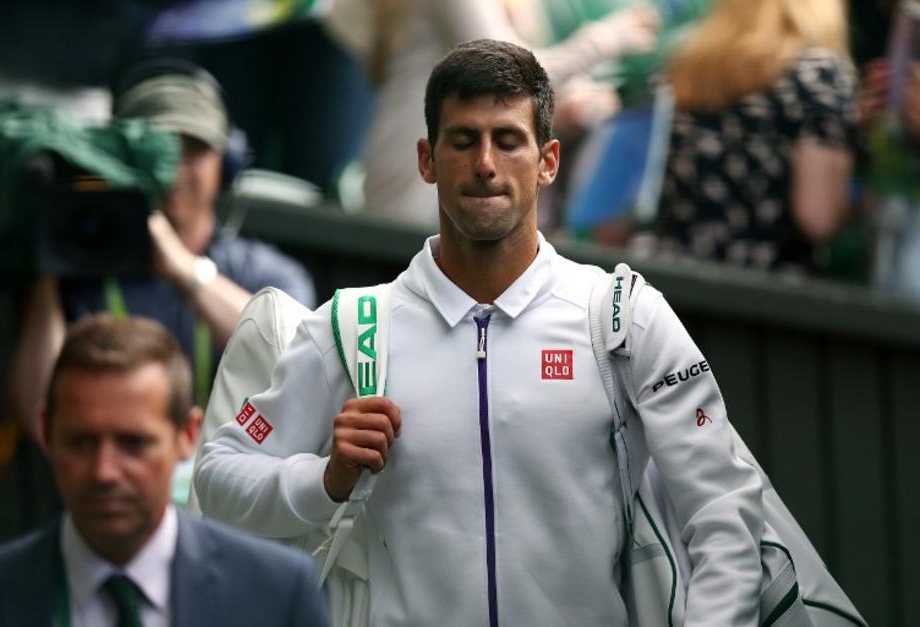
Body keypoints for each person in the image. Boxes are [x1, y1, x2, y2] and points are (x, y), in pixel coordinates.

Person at [196, 39, 764, 625]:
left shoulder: (621, 316)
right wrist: (325, 480)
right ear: (427, 160)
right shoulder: (352, 326)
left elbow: (726, 508)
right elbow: (217, 477)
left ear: (548, 161)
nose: (486, 163)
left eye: (508, 140)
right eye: (464, 140)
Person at [7, 59, 316, 443]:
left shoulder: (267, 274)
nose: (174, 169)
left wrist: (185, 270)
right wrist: (49, 260)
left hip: (230, 475)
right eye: (156, 151)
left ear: (226, 164)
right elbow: (40, 412)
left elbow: (300, 362)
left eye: (193, 150)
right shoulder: (79, 269)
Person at [0, 314, 328, 626]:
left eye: (133, 444)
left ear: (187, 436)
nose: (104, 472)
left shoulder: (275, 594)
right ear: (46, 433)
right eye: (81, 443)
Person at [323, 0, 658, 227]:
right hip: (417, 189)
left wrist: (566, 108)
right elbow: (509, 68)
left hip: (442, 183)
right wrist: (608, 38)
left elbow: (493, 97)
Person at [651, 0, 857, 272]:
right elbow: (817, 218)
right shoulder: (818, 74)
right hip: (764, 286)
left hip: (671, 278)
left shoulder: (682, 64)